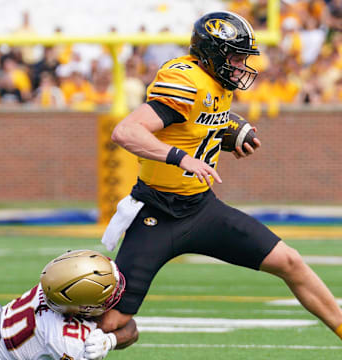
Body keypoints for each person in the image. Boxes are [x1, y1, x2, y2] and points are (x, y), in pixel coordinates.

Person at [100, 11, 342, 343]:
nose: (243, 66)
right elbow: (125, 131)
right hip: (156, 212)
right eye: (236, 57)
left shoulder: (218, 83)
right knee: (116, 325)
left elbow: (192, 124)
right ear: (212, 54)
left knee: (290, 261)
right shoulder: (185, 80)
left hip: (201, 209)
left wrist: (228, 135)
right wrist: (182, 158)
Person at [0, 249, 138, 359]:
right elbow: (131, 331)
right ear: (84, 306)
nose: (114, 294)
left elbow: (129, 327)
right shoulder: (68, 342)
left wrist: (110, 341)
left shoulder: (55, 285)